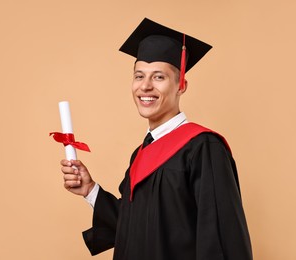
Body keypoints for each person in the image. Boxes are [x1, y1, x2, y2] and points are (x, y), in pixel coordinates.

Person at [60, 18, 253, 260]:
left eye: (159, 77)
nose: (146, 86)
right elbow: (133, 227)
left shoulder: (203, 148)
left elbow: (220, 239)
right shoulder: (141, 152)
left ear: (181, 85)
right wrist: (89, 189)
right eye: (139, 76)